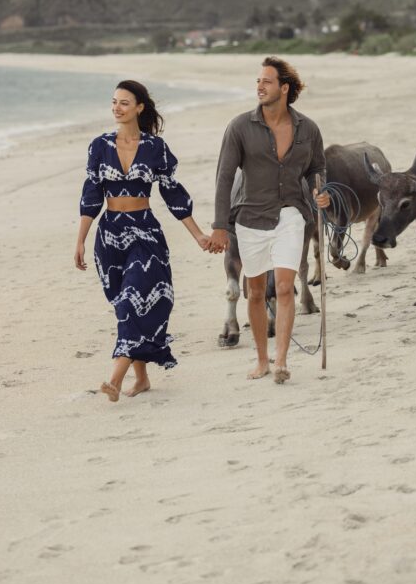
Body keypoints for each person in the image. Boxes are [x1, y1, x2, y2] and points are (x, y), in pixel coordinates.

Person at [75, 80, 210, 402]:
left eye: (124, 102)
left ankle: (115, 379)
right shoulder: (99, 145)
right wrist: (80, 240)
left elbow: (173, 194)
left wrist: (198, 234)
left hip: (144, 232)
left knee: (131, 300)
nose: (116, 108)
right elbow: (91, 195)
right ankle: (143, 378)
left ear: (139, 108)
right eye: (114, 102)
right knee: (124, 307)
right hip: (108, 235)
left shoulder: (155, 148)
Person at [207, 56, 329, 383]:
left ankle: (282, 361)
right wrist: (220, 226)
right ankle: (262, 359)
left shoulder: (308, 128)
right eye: (258, 81)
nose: (259, 86)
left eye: (267, 81)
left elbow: (317, 168)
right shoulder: (240, 127)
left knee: (286, 287)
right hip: (249, 217)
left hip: (291, 213)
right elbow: (224, 177)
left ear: (284, 88)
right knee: (257, 292)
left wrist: (321, 190)